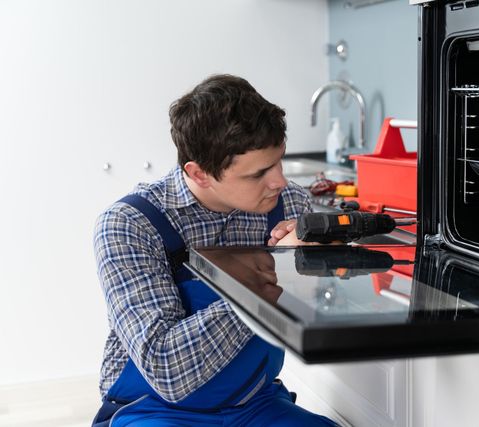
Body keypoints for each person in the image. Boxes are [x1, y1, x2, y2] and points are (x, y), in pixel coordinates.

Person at [92, 74, 338, 426]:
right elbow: (167, 372)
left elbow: (324, 309)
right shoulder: (131, 225)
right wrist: (266, 280)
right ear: (200, 173)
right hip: (153, 409)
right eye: (259, 174)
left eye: (279, 161)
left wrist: (321, 262)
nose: (281, 182)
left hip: (255, 403)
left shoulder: (290, 205)